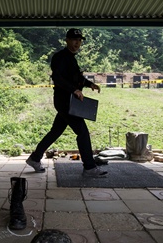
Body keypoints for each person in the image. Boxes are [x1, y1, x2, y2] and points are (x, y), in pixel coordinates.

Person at [26, 28, 108, 178]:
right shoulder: (60, 57)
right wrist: (74, 90)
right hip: (66, 102)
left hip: (69, 102)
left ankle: (35, 158)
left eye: (79, 40)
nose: (77, 43)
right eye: (74, 39)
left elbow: (76, 78)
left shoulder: (71, 58)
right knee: (82, 132)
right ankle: (89, 167)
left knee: (56, 131)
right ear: (67, 40)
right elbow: (58, 78)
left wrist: (90, 85)